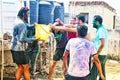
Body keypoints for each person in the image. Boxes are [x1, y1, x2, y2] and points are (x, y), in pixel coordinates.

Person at [10, 7, 37, 80]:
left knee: (20, 67)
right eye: (27, 14)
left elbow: (25, 26)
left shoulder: (17, 20)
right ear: (23, 14)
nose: (28, 16)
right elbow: (21, 39)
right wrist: (33, 39)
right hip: (19, 49)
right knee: (26, 68)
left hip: (13, 47)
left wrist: (32, 26)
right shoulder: (22, 24)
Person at [91, 15, 108, 80]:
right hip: (103, 54)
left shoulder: (101, 30)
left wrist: (96, 54)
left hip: (100, 55)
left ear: (97, 22)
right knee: (102, 75)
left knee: (93, 75)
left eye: (93, 21)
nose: (92, 23)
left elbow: (102, 44)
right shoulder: (101, 29)